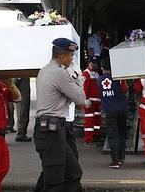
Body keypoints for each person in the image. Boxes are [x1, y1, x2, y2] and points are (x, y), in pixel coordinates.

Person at [34, 38, 87, 191]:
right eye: (71, 56)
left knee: (71, 173)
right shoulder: (59, 74)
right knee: (55, 180)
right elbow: (80, 99)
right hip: (51, 131)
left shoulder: (44, 70)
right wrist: (78, 78)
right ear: (62, 57)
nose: (72, 59)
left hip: (53, 130)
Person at [97, 56, 128, 168]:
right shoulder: (118, 78)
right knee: (122, 133)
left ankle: (115, 161)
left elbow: (99, 93)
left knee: (113, 135)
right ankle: (121, 156)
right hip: (122, 109)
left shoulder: (99, 80)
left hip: (110, 110)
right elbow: (125, 90)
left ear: (102, 68)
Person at [82, 57, 102, 146]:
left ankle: (96, 136)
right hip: (90, 101)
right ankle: (88, 140)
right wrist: (86, 99)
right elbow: (84, 87)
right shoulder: (86, 73)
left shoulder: (96, 74)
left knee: (97, 120)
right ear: (89, 63)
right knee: (89, 120)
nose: (95, 65)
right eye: (93, 63)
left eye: (96, 63)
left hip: (97, 101)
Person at [14, 77, 32, 142]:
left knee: (17, 106)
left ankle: (6, 128)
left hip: (11, 73)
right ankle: (21, 133)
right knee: (24, 105)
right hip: (22, 74)